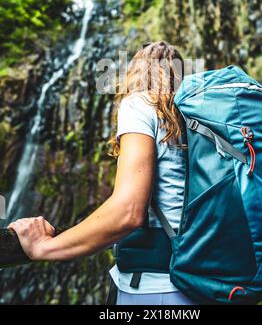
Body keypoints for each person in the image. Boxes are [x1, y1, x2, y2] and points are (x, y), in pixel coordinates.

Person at [8, 41, 196, 305]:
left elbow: (128, 213)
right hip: (197, 278)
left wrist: (44, 247)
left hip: (154, 286)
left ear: (136, 71)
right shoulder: (193, 119)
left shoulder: (139, 104)